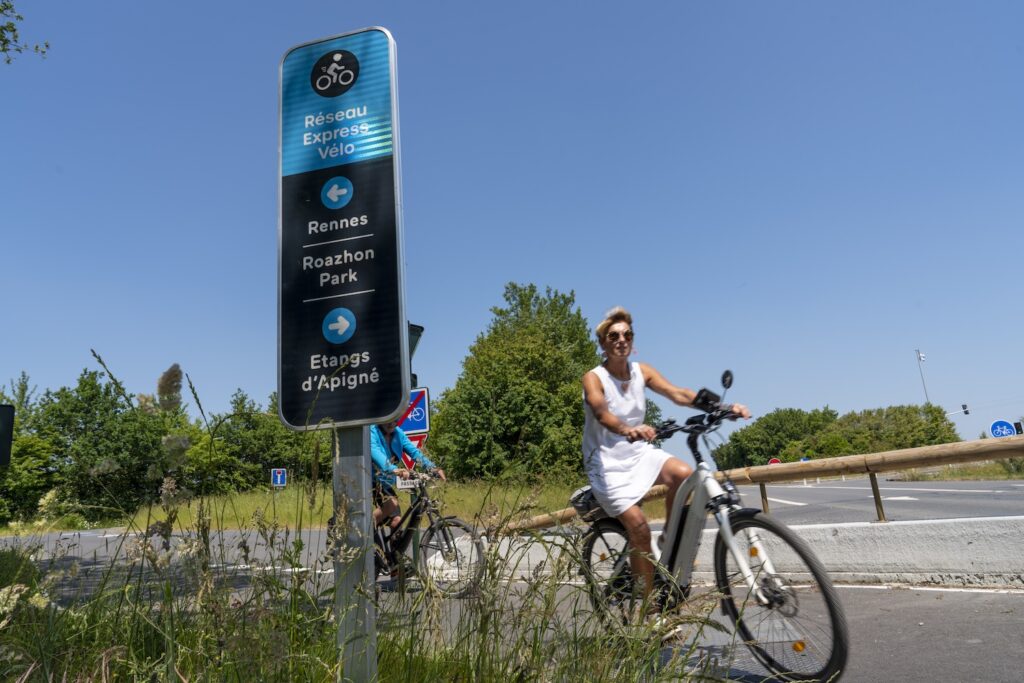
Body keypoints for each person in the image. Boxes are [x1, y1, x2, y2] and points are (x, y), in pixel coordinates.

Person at [582, 306, 749, 606]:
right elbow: (600, 412)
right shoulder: (594, 378)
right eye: (614, 335)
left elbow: (679, 394)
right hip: (606, 463)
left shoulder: (641, 371)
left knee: (683, 473)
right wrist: (626, 429)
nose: (622, 339)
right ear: (603, 343)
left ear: (633, 340)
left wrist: (722, 409)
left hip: (638, 453)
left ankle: (666, 543)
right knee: (638, 527)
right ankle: (648, 612)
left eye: (627, 334)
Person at [370, 418, 446, 530]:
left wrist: (433, 468)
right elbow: (376, 454)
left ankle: (390, 546)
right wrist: (395, 469)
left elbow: (414, 453)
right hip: (368, 480)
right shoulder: (372, 432)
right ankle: (362, 529)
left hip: (384, 483)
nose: (391, 424)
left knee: (396, 522)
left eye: (395, 420)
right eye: (388, 420)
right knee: (392, 504)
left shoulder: (398, 433)